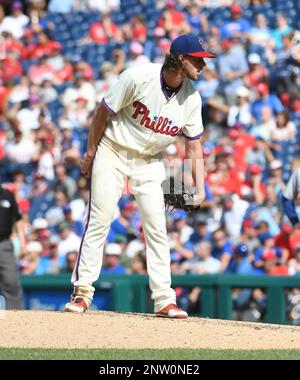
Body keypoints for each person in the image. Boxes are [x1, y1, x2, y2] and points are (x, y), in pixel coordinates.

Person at [64, 34, 215, 318]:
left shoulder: (192, 98)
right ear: (181, 59)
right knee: (100, 218)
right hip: (113, 150)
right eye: (198, 59)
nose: (203, 65)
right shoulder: (138, 76)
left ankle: (164, 300)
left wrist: (200, 186)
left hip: (150, 161)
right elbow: (102, 112)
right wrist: (90, 151)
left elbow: (193, 144)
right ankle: (82, 291)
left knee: (156, 227)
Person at [0, 184, 25, 309]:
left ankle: (15, 318)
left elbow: (18, 219)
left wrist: (22, 242)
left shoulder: (7, 195)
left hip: (3, 244)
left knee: (11, 282)